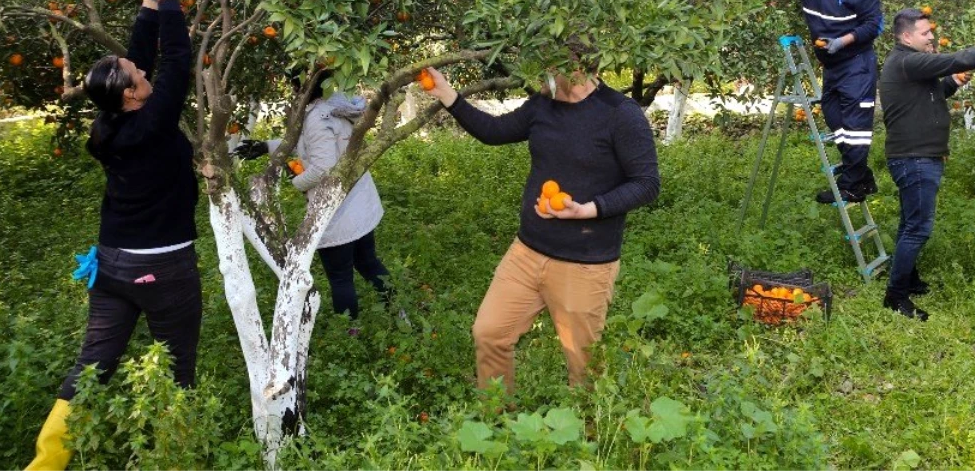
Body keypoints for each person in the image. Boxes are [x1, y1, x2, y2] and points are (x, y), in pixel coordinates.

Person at [27, 0, 200, 470]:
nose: (138, 67)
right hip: (161, 266)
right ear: (131, 94)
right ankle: (176, 453)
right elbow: (177, 58)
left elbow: (142, 57)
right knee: (177, 364)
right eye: (132, 72)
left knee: (92, 362)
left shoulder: (109, 124)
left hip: (114, 263)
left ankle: (45, 463)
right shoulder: (153, 121)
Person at [423, 58, 659, 396]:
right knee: (489, 333)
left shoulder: (620, 113)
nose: (541, 74)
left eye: (548, 66)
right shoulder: (542, 104)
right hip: (527, 251)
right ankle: (497, 422)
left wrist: (589, 210)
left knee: (584, 365)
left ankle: (591, 439)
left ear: (578, 67)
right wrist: (445, 91)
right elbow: (494, 132)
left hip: (584, 263)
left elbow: (647, 182)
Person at [878, 8, 975, 320]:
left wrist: (953, 83)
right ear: (907, 37)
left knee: (910, 223)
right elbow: (958, 58)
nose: (931, 36)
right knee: (918, 228)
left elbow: (930, 95)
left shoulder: (910, 67)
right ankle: (895, 295)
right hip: (915, 159)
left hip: (916, 157)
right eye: (925, 32)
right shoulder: (907, 61)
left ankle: (908, 278)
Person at [233, 73, 392, 327]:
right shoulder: (336, 105)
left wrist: (296, 181)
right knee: (368, 262)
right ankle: (399, 312)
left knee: (340, 277)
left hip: (336, 209)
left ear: (301, 86)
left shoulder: (317, 117)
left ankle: (348, 334)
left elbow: (322, 167)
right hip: (359, 204)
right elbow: (311, 144)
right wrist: (266, 146)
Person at [760, 0, 884, 203]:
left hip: (857, 64)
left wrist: (844, 40)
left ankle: (851, 187)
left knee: (855, 128)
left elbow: (874, 25)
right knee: (832, 115)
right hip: (832, 66)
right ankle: (862, 176)